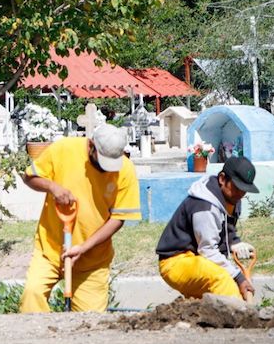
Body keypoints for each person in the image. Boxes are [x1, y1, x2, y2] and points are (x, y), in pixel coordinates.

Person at [19, 124, 141, 313]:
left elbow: (118, 219)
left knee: (90, 323)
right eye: (102, 160)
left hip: (92, 261)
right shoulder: (64, 149)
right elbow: (29, 177)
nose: (105, 168)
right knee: (32, 295)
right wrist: (53, 187)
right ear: (91, 145)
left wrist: (83, 248)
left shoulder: (125, 169)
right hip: (50, 250)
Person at [155, 156, 259, 301]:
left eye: (245, 189)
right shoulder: (204, 207)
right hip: (176, 262)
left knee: (224, 289)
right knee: (221, 279)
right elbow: (208, 250)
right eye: (237, 187)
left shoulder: (232, 198)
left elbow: (226, 227)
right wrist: (239, 278)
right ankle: (239, 318)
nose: (241, 193)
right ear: (222, 179)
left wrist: (235, 242)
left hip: (198, 259)